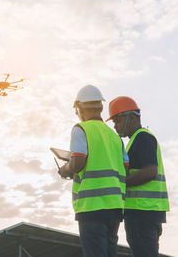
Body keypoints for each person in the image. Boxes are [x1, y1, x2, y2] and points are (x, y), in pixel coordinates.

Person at [58, 85, 127, 257]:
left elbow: (78, 164)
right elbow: (125, 167)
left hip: (91, 207)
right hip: (115, 207)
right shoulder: (115, 137)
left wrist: (66, 169)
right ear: (101, 107)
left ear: (79, 108)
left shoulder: (81, 129)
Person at [106, 96, 170, 257]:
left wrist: (121, 183)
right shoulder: (136, 140)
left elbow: (150, 171)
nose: (115, 126)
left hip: (142, 211)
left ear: (132, 117)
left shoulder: (143, 138)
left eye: (118, 120)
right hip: (145, 211)